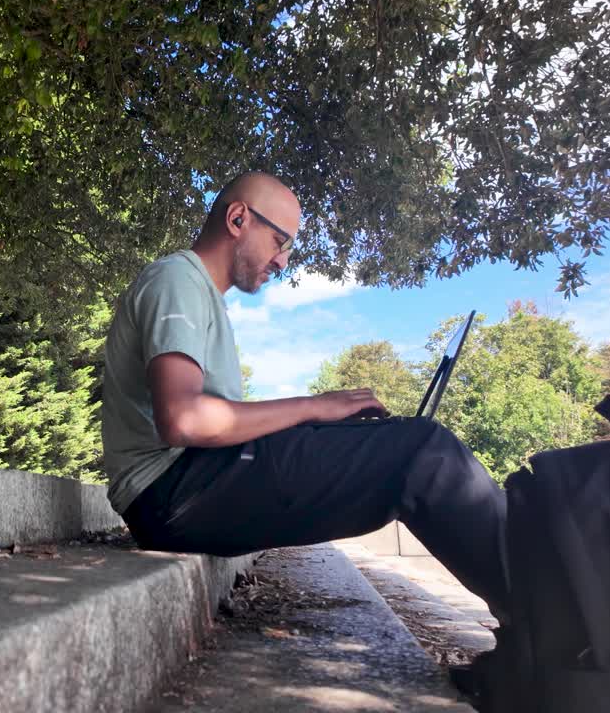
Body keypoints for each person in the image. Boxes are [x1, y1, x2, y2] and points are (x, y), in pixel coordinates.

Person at [100, 171, 509, 615]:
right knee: (422, 452)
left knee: (405, 443)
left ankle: (543, 614)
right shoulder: (177, 280)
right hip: (172, 493)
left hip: (187, 485)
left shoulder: (198, 293)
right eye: (280, 241)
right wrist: (314, 406)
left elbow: (215, 422)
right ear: (238, 219)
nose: (283, 261)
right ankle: (554, 619)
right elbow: (185, 419)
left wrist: (318, 424)